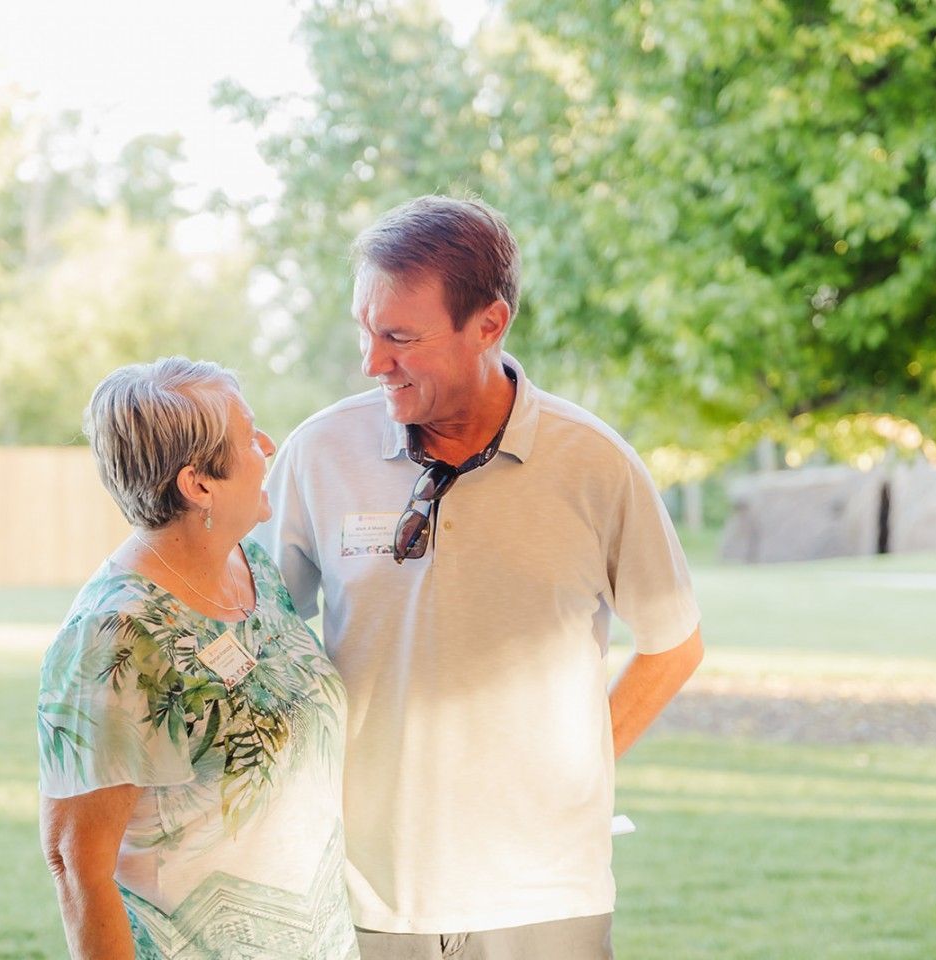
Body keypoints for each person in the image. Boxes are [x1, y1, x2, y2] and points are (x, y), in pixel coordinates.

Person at [258, 196, 704, 959]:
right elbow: (258, 631)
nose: (371, 361)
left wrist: (580, 765)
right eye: (365, 329)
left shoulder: (594, 464)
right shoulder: (318, 454)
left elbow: (674, 643)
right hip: (362, 892)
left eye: (399, 336)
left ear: (489, 325)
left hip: (544, 896)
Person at [37, 357, 359, 960]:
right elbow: (77, 866)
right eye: (248, 437)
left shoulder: (253, 566)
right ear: (198, 484)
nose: (267, 445)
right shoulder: (117, 638)